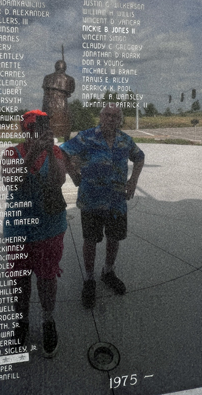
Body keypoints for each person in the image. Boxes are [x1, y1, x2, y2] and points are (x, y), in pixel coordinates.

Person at [61, 104, 144, 308]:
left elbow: (139, 156)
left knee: (114, 238)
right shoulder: (86, 137)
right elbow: (62, 152)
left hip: (116, 201)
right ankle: (89, 279)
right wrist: (73, 174)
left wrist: (133, 180)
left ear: (120, 120)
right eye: (107, 115)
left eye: (115, 116)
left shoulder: (125, 140)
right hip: (91, 201)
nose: (110, 119)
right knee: (90, 240)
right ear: (100, 117)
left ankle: (108, 272)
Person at [1, 110, 68, 357]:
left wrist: (49, 149)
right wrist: (31, 153)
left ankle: (48, 320)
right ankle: (22, 322)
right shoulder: (12, 152)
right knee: (20, 280)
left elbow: (59, 180)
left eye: (39, 129)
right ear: (23, 129)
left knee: (47, 277)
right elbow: (12, 181)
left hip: (49, 227)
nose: (35, 134)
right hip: (19, 229)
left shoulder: (56, 152)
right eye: (30, 129)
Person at [42, 59, 75, 141]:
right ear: (65, 67)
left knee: (48, 124)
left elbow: (45, 89)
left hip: (48, 103)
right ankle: (66, 144)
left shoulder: (47, 77)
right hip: (61, 103)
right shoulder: (69, 79)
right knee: (66, 123)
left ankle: (47, 144)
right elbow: (71, 90)